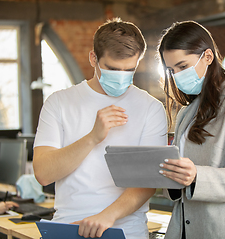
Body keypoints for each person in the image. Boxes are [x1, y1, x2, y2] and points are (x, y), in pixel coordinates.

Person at [33, 18, 167, 239]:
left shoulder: (151, 108)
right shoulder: (59, 103)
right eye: (113, 69)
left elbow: (147, 183)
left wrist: (106, 217)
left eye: (129, 70)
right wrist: (92, 137)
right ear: (93, 58)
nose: (121, 77)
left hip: (126, 230)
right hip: (69, 227)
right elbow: (43, 174)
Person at [157, 21, 225, 239]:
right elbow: (181, 184)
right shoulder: (187, 112)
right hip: (185, 229)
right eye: (171, 70)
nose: (176, 76)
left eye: (183, 66)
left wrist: (196, 175)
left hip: (224, 231)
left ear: (207, 57)